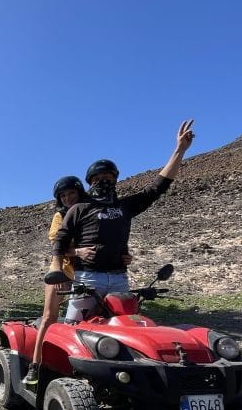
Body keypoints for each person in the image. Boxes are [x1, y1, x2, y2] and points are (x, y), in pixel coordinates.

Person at [45, 119, 195, 324]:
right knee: (75, 328)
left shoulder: (125, 207)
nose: (102, 181)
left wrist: (179, 151)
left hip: (119, 278)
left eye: (107, 176)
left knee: (123, 327)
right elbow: (60, 241)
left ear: (115, 179)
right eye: (97, 179)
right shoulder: (79, 209)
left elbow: (157, 188)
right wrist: (57, 269)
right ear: (90, 183)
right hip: (88, 277)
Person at [22, 176, 86, 387]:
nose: (68, 198)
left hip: (87, 274)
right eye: (63, 195)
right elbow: (57, 244)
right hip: (62, 271)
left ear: (79, 193)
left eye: (71, 194)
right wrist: (77, 252)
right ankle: (36, 365)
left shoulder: (90, 213)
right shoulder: (60, 216)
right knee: (50, 316)